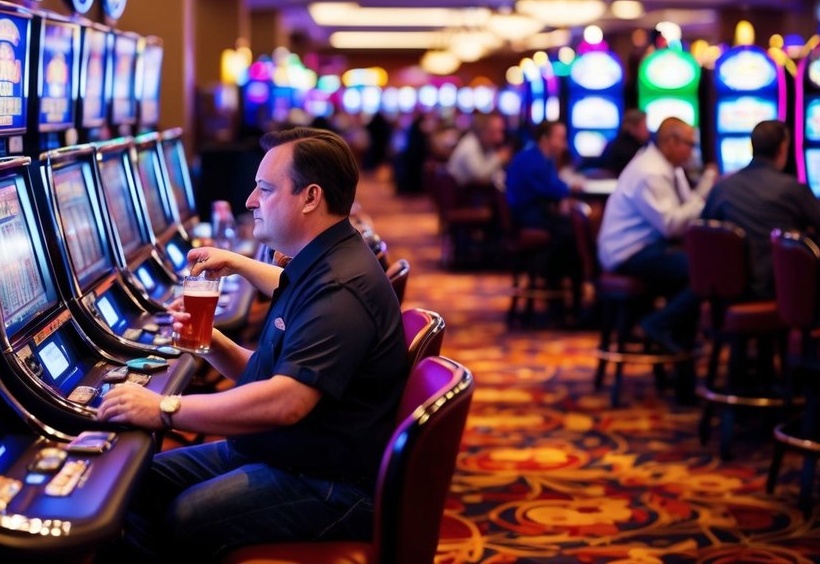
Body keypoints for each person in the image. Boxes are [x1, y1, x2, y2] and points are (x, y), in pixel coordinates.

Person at [98, 127, 407, 560]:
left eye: (264, 189)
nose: (250, 201)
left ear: (310, 197)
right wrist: (212, 340)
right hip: (290, 450)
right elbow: (266, 375)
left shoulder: (339, 287)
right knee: (137, 482)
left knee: (187, 516)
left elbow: (286, 402)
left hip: (331, 484)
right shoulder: (318, 263)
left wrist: (164, 409)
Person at [597, 117, 718, 354]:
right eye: (689, 144)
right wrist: (705, 192)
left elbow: (684, 215)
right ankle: (658, 326)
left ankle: (678, 353)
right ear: (671, 142)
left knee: (695, 268)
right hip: (627, 253)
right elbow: (672, 225)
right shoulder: (650, 172)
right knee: (703, 271)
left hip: (647, 247)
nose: (692, 151)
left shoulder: (669, 167)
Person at [702, 120, 820, 298]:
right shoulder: (792, 188)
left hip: (731, 290)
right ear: (783, 148)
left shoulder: (723, 188)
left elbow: (705, 236)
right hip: (784, 290)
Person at [505, 121, 581, 288]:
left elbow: (554, 186)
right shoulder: (532, 159)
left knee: (571, 227)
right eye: (561, 138)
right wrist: (569, 189)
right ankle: (556, 285)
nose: (565, 143)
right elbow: (552, 189)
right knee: (573, 231)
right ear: (545, 139)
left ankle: (560, 287)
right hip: (526, 217)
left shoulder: (543, 157)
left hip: (534, 213)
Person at [447, 112, 511, 189]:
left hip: (469, 193)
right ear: (484, 131)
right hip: (462, 195)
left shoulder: (485, 145)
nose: (500, 138)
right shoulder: (470, 145)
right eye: (495, 132)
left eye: (501, 131)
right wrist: (499, 158)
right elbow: (481, 176)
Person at [598, 109, 651, 177]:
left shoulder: (616, 142)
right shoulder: (627, 150)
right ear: (632, 128)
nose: (647, 131)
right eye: (644, 126)